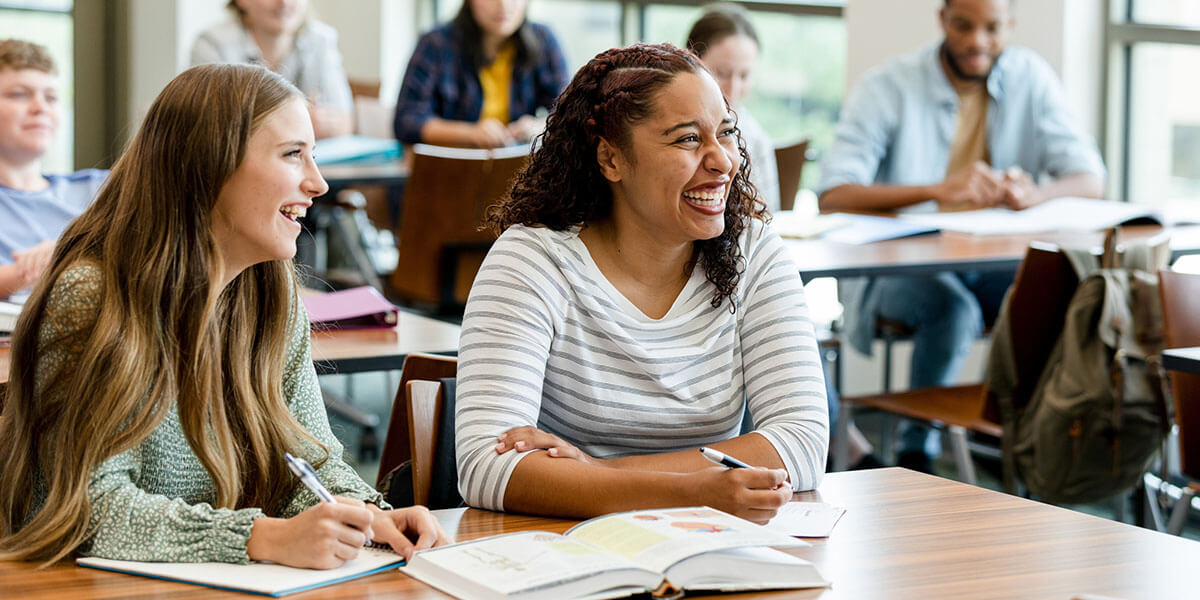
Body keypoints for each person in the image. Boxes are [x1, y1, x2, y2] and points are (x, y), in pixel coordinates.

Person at [0, 64, 449, 567]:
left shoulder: (268, 297)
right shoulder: (96, 297)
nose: (318, 183)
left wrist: (364, 513)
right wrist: (262, 537)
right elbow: (87, 510)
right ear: (209, 166)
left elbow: (311, 463)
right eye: (292, 155)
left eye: (313, 155)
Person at [454, 43, 828, 523]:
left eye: (726, 133)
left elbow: (802, 443)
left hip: (712, 547)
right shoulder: (532, 260)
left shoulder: (754, 252)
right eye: (688, 140)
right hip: (560, 548)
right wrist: (694, 490)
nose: (723, 161)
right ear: (611, 160)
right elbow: (487, 467)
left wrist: (594, 472)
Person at [816, 0, 1105, 471]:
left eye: (992, 28)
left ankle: (1037, 448)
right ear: (942, 20)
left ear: (1011, 25)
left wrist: (1036, 194)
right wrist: (938, 189)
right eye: (964, 26)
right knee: (952, 311)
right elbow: (833, 194)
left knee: (1058, 295)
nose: (977, 42)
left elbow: (1090, 178)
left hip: (985, 261)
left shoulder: (1030, 77)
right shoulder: (889, 86)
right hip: (896, 271)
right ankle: (917, 453)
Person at [0, 39, 106, 299]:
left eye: (51, 97)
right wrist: (48, 264)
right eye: (19, 94)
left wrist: (65, 250)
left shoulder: (99, 188)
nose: (41, 108)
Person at [394, 0, 569, 148]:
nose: (503, 5)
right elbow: (407, 120)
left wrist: (537, 127)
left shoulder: (544, 40)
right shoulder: (435, 44)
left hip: (515, 171)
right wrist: (470, 134)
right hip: (449, 172)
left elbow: (569, 113)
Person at [191, 0, 353, 139]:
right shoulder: (212, 45)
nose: (284, 2)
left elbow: (345, 122)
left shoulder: (320, 39)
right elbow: (211, 127)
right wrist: (299, 122)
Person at [686, 3, 780, 212]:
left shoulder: (755, 138)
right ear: (692, 61)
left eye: (744, 76)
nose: (733, 88)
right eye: (722, 73)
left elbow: (767, 214)